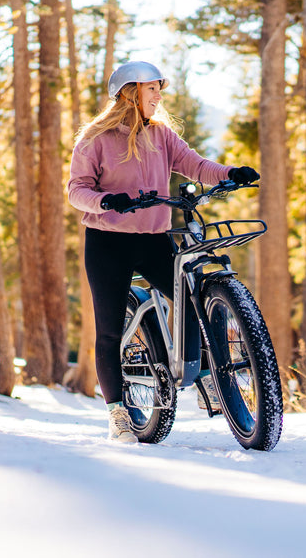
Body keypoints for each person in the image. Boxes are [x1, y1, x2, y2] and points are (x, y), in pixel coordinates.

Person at [67, 61, 259, 443]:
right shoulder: (95, 139)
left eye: (159, 89)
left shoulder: (162, 136)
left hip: (154, 238)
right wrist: (108, 201)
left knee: (191, 299)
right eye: (151, 88)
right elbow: (76, 190)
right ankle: (118, 413)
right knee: (108, 330)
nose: (158, 95)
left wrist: (230, 173)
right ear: (129, 92)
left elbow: (195, 165)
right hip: (108, 243)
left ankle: (208, 374)